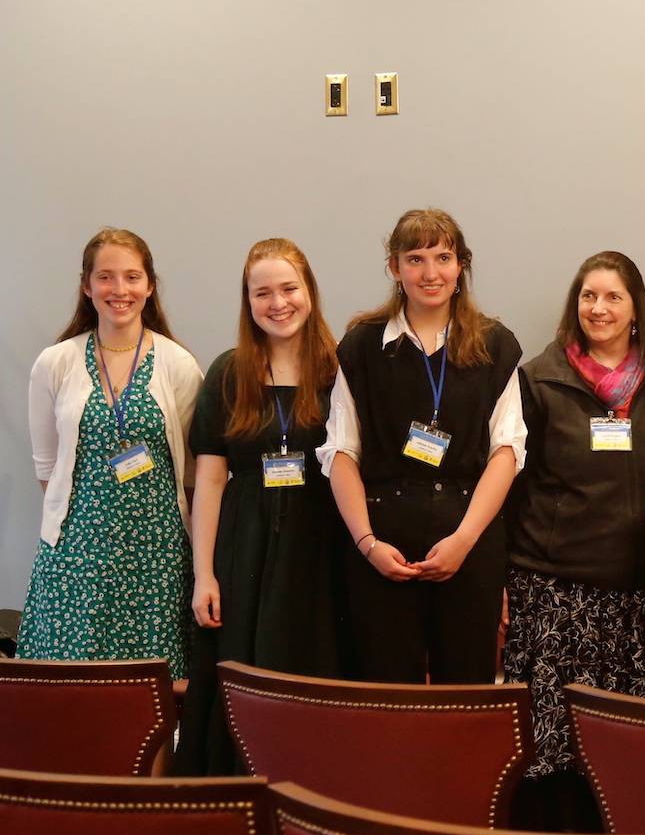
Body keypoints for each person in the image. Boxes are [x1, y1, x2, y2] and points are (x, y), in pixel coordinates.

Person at [503, 250, 645, 829]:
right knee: (559, 749)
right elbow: (514, 483)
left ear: (637, 307)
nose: (600, 308)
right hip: (562, 595)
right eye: (589, 296)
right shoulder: (540, 379)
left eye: (614, 296)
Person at [318, 209, 525, 684]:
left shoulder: (496, 345)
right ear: (394, 267)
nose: (430, 273)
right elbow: (341, 452)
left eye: (443, 257)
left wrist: (464, 542)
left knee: (466, 689)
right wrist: (368, 544)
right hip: (382, 546)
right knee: (386, 691)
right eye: (415, 258)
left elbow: (507, 452)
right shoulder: (362, 347)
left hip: (468, 543)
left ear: (461, 266)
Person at [174, 238, 342, 775]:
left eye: (288, 288)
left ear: (309, 292)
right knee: (240, 678)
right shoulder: (228, 373)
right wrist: (204, 574)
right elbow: (210, 479)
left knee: (310, 674)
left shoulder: (340, 373)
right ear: (247, 303)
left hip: (319, 553)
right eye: (262, 292)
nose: (278, 303)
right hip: (242, 550)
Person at [22, 228, 203, 678]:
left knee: (154, 690)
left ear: (150, 285)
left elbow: (194, 475)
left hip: (156, 556)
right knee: (71, 688)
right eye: (106, 277)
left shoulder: (177, 364)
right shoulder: (56, 363)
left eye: (132, 277)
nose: (119, 290)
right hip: (76, 557)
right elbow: (47, 469)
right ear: (87, 286)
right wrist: (90, 525)